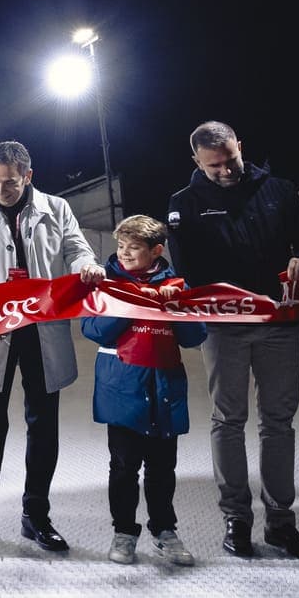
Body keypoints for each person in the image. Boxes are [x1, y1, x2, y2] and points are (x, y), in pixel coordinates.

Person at [166, 120, 299, 562]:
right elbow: (187, 271)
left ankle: (281, 522)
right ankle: (236, 519)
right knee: (228, 419)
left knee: (278, 421)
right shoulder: (184, 203)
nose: (225, 171)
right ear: (196, 161)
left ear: (240, 146)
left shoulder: (279, 190)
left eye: (231, 161)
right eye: (214, 166)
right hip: (224, 328)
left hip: (279, 322)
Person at [0, 140, 102, 553]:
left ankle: (36, 515)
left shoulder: (57, 208)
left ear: (28, 176)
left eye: (10, 183)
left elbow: (76, 249)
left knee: (43, 423)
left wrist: (86, 266)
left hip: (42, 330)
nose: (1, 190)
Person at [81, 216, 207, 567]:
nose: (124, 253)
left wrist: (176, 307)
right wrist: (134, 303)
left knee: (162, 468)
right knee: (124, 466)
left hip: (164, 389)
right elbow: (93, 329)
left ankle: (165, 530)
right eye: (121, 246)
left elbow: (195, 337)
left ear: (156, 251)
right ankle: (124, 531)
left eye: (134, 248)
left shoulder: (177, 285)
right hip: (121, 390)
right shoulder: (107, 285)